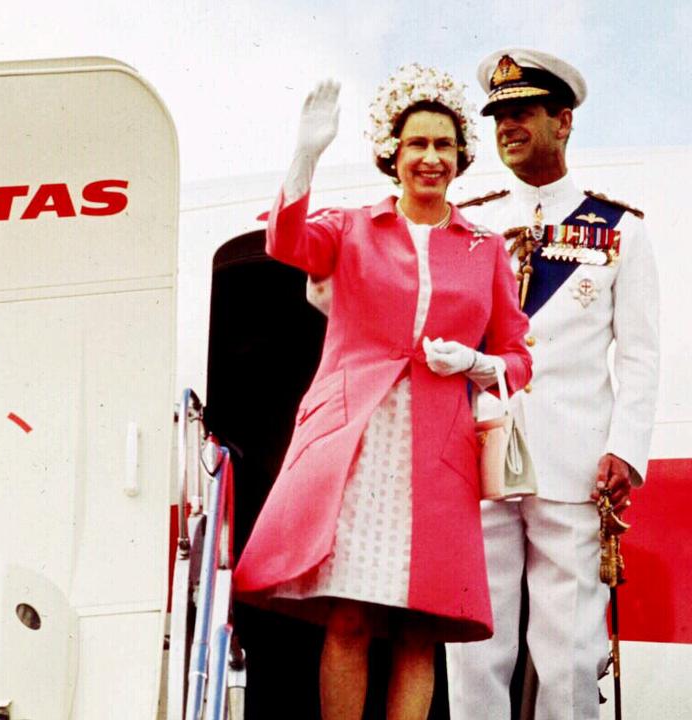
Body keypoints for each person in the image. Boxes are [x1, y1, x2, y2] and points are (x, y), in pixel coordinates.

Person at [232, 65, 533, 720]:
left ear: (461, 157)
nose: (430, 157)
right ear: (391, 153)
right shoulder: (351, 227)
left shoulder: (484, 249)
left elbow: (517, 355)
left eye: (444, 145)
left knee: (421, 630)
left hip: (438, 454)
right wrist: (305, 155)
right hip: (358, 444)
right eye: (417, 143)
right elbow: (284, 242)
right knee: (348, 620)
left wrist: (478, 364)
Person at [444, 49, 660, 720]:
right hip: (478, 455)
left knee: (568, 650)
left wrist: (626, 448)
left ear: (562, 122)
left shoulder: (620, 231)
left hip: (572, 462)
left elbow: (641, 355)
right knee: (474, 644)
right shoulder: (468, 221)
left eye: (523, 114)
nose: (508, 127)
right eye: (500, 117)